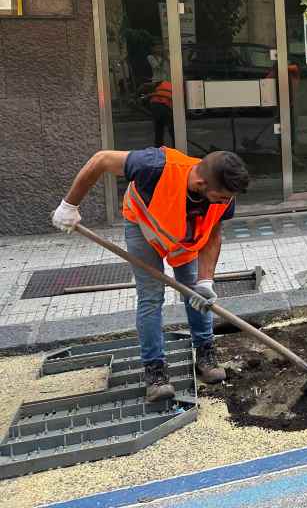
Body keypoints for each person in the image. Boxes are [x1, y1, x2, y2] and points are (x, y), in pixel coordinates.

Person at [51, 147, 250, 401]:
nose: (226, 202)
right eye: (221, 197)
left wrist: (206, 280)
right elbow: (101, 159)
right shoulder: (154, 166)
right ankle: (155, 370)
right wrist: (69, 205)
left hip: (185, 239)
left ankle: (205, 352)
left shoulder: (224, 195)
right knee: (151, 297)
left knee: (196, 295)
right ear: (201, 183)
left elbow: (212, 234)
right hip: (144, 227)